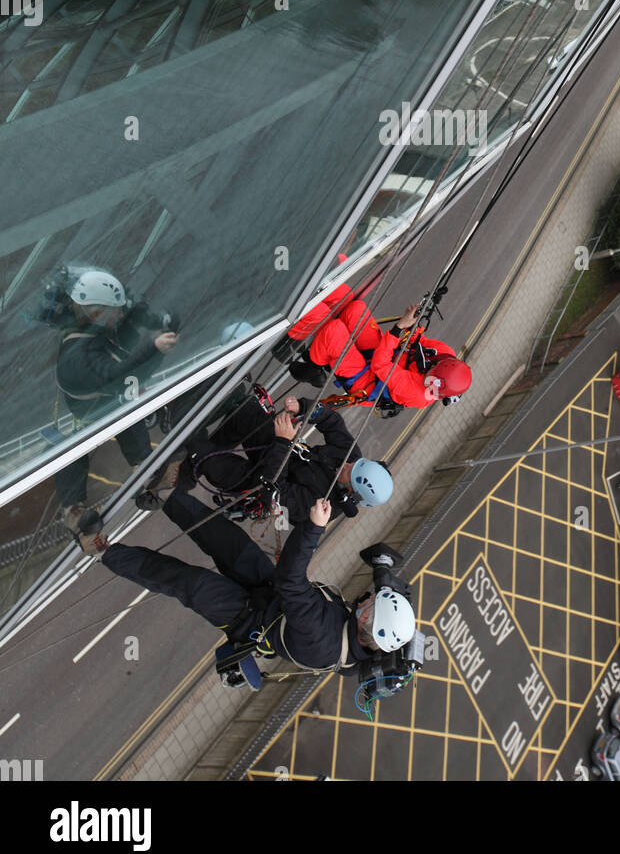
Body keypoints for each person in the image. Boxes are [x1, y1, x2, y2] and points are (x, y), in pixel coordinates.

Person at [77, 498, 415, 675]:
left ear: (368, 621)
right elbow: (381, 607)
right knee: (224, 537)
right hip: (272, 596)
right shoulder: (365, 641)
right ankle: (165, 494)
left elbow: (291, 580)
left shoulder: (323, 637)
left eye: (373, 602)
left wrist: (313, 529)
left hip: (250, 619)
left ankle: (103, 550)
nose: (369, 596)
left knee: (183, 580)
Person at [52, 267, 180, 532]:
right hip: (93, 406)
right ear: (97, 312)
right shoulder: (79, 359)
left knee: (118, 416)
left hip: (93, 393)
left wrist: (149, 320)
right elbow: (119, 378)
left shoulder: (87, 327)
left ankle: (145, 466)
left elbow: (125, 327)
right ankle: (75, 512)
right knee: (115, 419)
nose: (120, 314)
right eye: (116, 311)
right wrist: (153, 349)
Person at [159, 391, 393, 524]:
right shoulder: (351, 458)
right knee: (247, 410)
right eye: (355, 463)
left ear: (350, 491)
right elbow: (331, 423)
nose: (349, 463)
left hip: (258, 483)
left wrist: (283, 441)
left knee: (200, 453)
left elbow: (272, 487)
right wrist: (303, 407)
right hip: (281, 452)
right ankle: (200, 449)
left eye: (349, 471)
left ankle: (175, 482)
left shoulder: (318, 508)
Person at [276, 285, 471, 417]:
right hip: (385, 355)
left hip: (368, 380)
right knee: (354, 309)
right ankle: (314, 287)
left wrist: (398, 328)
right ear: (440, 363)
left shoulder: (417, 393)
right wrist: (413, 321)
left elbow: (381, 366)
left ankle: (311, 362)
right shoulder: (443, 353)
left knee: (332, 330)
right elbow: (416, 340)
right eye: (431, 374)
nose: (427, 378)